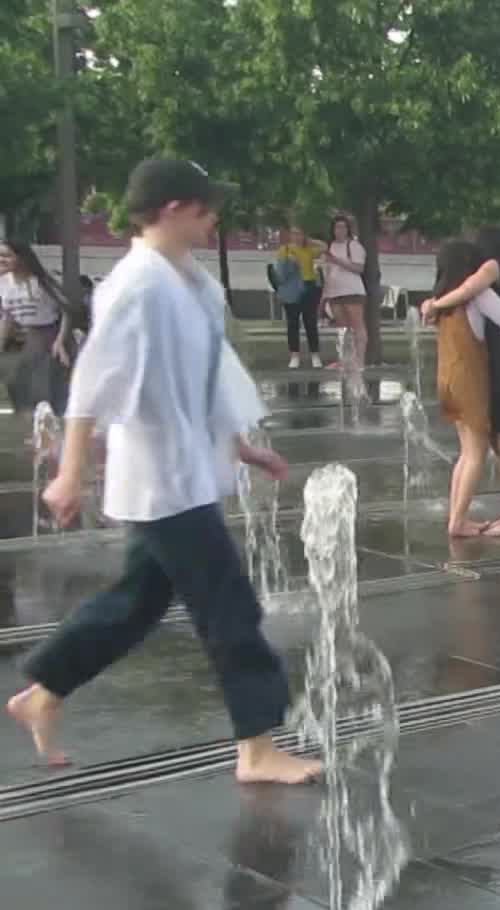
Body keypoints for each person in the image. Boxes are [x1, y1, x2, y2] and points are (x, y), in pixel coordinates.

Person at [7, 158, 318, 783]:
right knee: (229, 607)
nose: (214, 218)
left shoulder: (188, 282)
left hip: (182, 473)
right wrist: (70, 473)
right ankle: (256, 748)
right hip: (162, 481)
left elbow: (203, 376)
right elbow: (91, 383)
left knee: (136, 603)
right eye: (206, 208)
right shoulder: (136, 286)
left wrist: (240, 444)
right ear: (175, 209)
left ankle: (43, 692)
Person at [418, 227, 500, 536]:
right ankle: (461, 521)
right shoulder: (478, 294)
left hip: (447, 381)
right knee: (476, 453)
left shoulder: (440, 303)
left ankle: (456, 518)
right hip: (472, 381)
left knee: (467, 452)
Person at [0, 239, 75, 423]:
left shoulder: (41, 282)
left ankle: (53, 427)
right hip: (28, 338)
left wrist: (60, 342)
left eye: (6, 255)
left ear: (21, 258)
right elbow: (8, 317)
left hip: (50, 335)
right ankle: (31, 427)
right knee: (17, 381)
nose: (1, 259)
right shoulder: (4, 283)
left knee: (46, 388)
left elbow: (66, 311)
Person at [269, 223, 322, 369]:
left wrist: (310, 241)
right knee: (293, 323)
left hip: (309, 286)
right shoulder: (284, 250)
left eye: (299, 233)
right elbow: (281, 275)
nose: (296, 236)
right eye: (294, 233)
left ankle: (315, 355)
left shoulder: (308, 250)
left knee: (310, 322)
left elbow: (324, 247)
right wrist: (291, 263)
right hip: (292, 289)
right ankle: (294, 356)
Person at [319, 215, 367, 372]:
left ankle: (359, 361)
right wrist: (324, 296)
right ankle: (345, 360)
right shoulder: (330, 246)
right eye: (337, 227)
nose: (340, 230)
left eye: (343, 227)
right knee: (343, 328)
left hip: (352, 291)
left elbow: (359, 268)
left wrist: (337, 260)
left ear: (348, 229)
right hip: (334, 292)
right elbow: (327, 271)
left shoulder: (353, 245)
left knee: (357, 326)